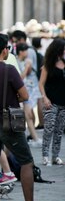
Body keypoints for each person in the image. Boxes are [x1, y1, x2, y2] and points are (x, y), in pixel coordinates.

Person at [0, 33, 52, 201]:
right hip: (10, 120)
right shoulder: (9, 69)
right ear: (5, 50)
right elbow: (25, 96)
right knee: (26, 161)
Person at [39, 38, 65, 166]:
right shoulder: (48, 65)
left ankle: (55, 156)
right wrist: (44, 97)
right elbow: (41, 84)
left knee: (59, 130)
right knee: (49, 129)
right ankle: (45, 155)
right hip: (51, 102)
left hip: (63, 103)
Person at [16, 42, 42, 147]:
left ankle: (33, 137)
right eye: (25, 50)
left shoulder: (27, 61)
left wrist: (28, 66)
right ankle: (30, 138)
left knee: (28, 115)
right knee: (23, 116)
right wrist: (26, 67)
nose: (27, 52)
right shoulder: (16, 62)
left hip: (27, 91)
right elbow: (20, 78)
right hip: (20, 92)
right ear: (21, 52)